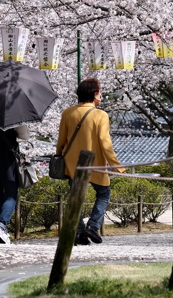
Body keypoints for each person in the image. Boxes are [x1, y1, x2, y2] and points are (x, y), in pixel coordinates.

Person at [56, 77, 125, 245]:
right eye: (100, 92)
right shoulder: (100, 115)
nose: (101, 95)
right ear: (94, 94)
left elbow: (61, 141)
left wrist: (59, 156)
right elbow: (105, 142)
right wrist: (117, 166)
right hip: (96, 164)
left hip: (73, 164)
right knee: (103, 194)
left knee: (76, 197)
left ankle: (78, 233)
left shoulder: (67, 113)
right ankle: (92, 226)